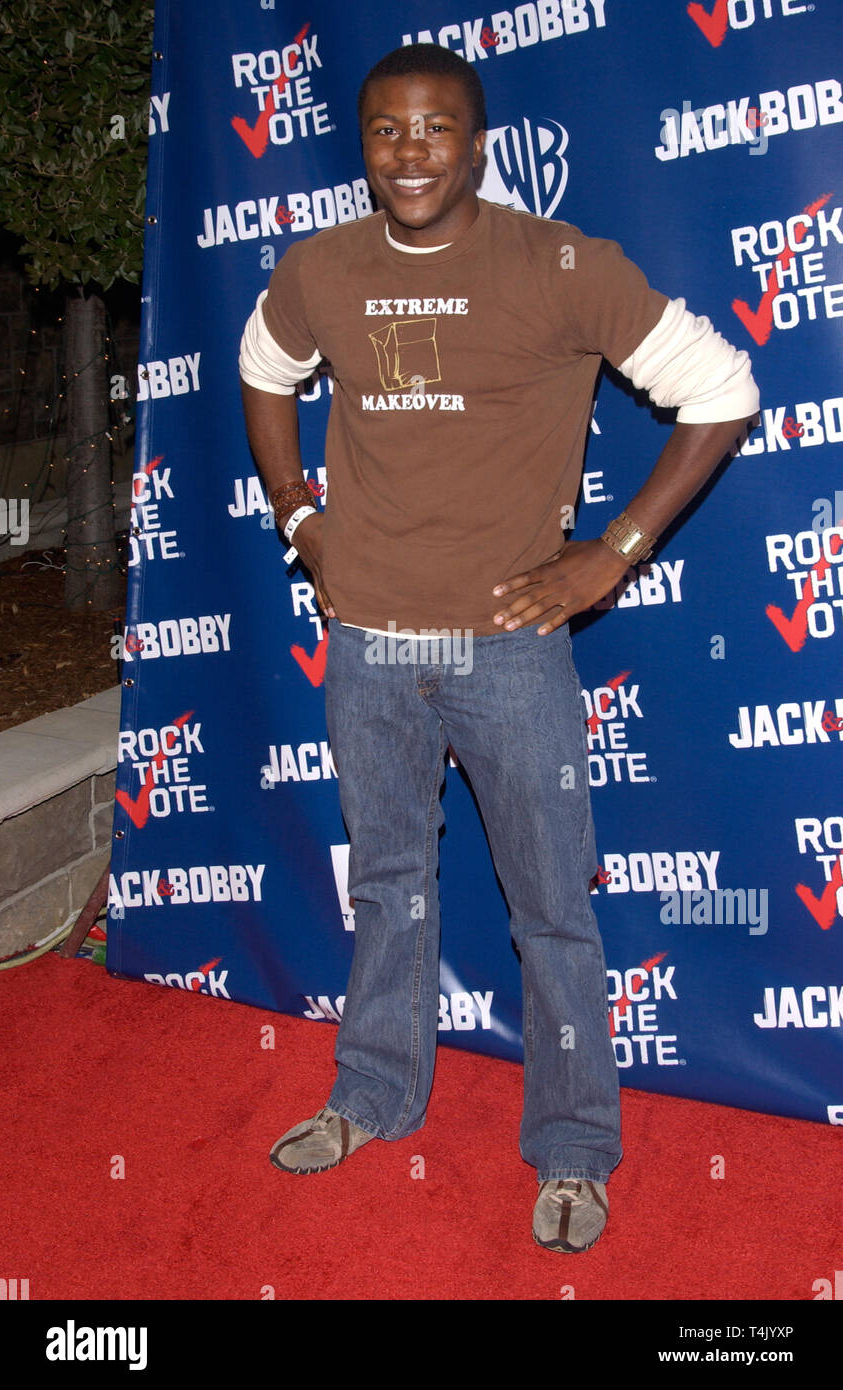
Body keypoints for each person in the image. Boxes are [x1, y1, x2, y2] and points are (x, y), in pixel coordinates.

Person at [239, 43, 758, 1254]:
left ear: (477, 142)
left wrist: (611, 551)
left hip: (510, 653)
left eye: (433, 130)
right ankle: (371, 1093)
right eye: (384, 132)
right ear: (360, 145)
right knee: (387, 889)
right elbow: (264, 369)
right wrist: (295, 511)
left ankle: (574, 1146)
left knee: (550, 913)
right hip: (365, 641)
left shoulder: (559, 263)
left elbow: (723, 388)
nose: (408, 152)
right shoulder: (323, 265)